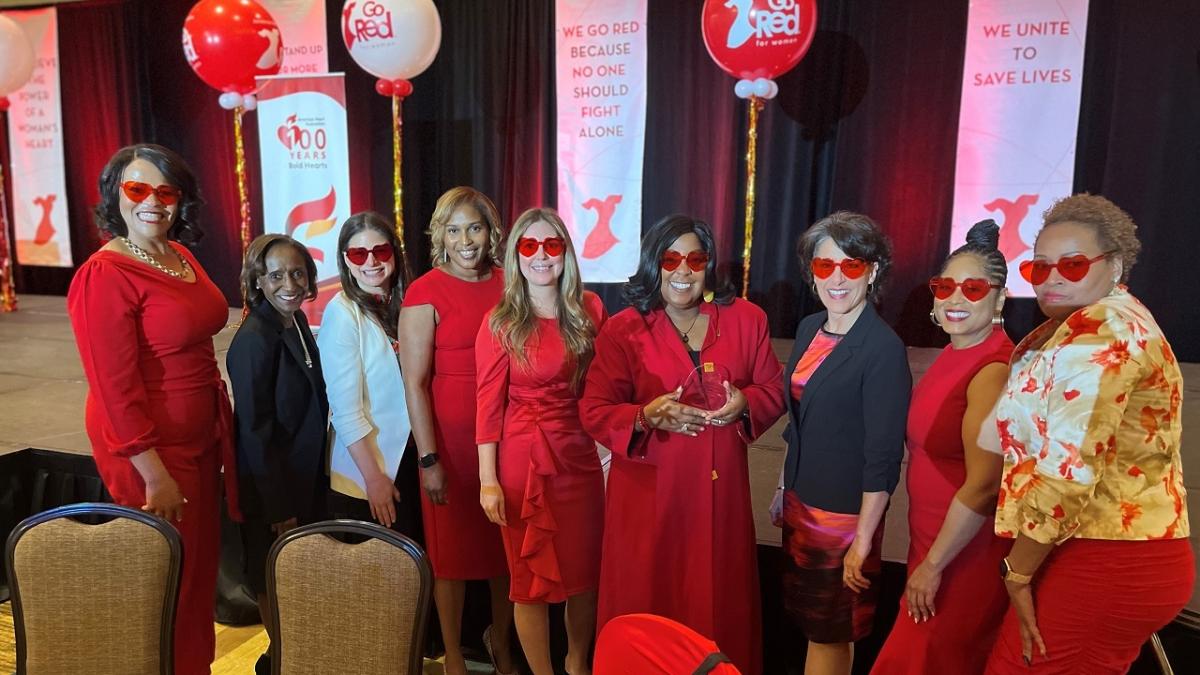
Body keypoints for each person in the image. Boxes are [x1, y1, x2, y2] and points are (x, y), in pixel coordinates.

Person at [983, 194, 1192, 674]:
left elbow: (1066, 470)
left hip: (1106, 557)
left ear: (1114, 264)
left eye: (1074, 265)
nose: (1053, 277)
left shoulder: (1101, 329)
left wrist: (1017, 573)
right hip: (1106, 552)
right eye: (1040, 268)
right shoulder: (1092, 322)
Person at [580, 214, 785, 675]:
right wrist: (645, 415)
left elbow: (774, 388)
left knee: (718, 605)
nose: (683, 270)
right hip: (649, 501)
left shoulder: (747, 320)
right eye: (670, 259)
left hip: (719, 497)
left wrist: (745, 403)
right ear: (654, 264)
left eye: (695, 259)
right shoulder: (623, 329)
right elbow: (593, 409)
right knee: (648, 603)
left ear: (708, 266)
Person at [67, 143, 238, 675]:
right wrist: (151, 474)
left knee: (195, 581)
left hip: (201, 438)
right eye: (138, 190)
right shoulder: (105, 275)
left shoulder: (178, 254)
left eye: (166, 192)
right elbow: (114, 389)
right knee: (164, 585)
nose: (153, 203)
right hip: (150, 454)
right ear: (114, 194)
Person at [769, 211, 911, 675]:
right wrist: (780, 486)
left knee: (833, 629)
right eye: (824, 265)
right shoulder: (811, 327)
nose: (836, 277)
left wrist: (863, 542)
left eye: (851, 266)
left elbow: (883, 458)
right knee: (815, 626)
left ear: (872, 271)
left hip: (844, 520)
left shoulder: (882, 348)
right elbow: (799, 422)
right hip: (800, 505)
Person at [870, 220, 1013, 674]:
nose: (955, 298)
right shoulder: (955, 352)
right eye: (945, 286)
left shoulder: (992, 368)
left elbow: (986, 485)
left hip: (962, 559)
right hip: (932, 547)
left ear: (999, 299)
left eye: (973, 289)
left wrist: (933, 567)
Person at [475, 208, 607, 675]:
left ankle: (577, 664)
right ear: (515, 256)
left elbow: (602, 389)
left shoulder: (590, 309)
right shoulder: (500, 322)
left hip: (580, 458)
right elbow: (488, 408)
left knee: (584, 577)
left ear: (565, 252)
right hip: (522, 463)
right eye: (529, 246)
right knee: (527, 581)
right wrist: (487, 480)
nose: (541, 256)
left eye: (551, 245)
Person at [397, 187, 516, 675]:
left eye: (475, 227)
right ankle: (451, 657)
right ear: (439, 235)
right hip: (448, 443)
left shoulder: (512, 283)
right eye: (454, 229)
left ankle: (503, 644)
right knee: (451, 559)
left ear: (491, 233)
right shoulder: (425, 290)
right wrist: (429, 459)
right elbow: (415, 383)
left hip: (507, 438)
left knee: (505, 554)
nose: (466, 239)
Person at [226, 233, 328, 674]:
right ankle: (280, 660)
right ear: (259, 282)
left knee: (293, 578)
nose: (289, 282)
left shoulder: (297, 322)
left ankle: (292, 656)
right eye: (276, 275)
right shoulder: (255, 337)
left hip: (301, 478)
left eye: (297, 272)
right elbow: (254, 429)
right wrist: (279, 505)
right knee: (273, 579)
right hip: (271, 488)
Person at [318, 212, 420, 537]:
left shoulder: (410, 301)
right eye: (359, 254)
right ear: (346, 261)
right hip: (370, 471)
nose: (371, 261)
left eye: (381, 251)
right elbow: (346, 411)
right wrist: (373, 478)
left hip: (412, 457)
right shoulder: (342, 312)